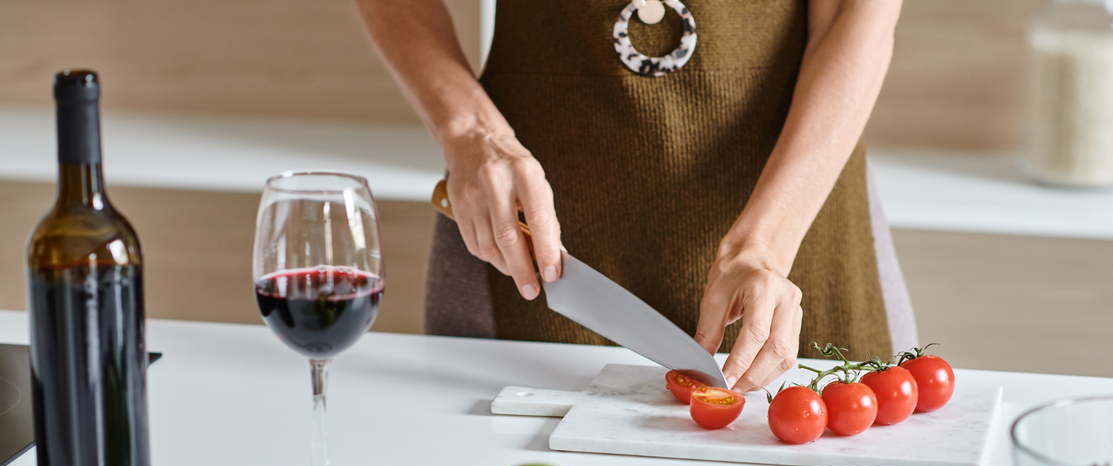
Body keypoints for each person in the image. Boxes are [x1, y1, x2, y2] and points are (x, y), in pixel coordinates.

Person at [356, 0, 917, 392]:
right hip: (524, 220)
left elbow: (857, 10)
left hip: (798, 209)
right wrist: (470, 132)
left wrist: (765, 244)